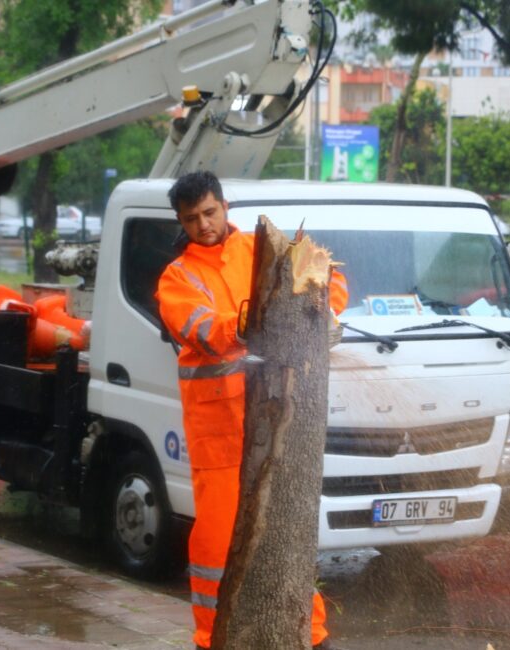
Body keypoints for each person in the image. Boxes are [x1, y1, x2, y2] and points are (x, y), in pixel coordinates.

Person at [155, 171, 347, 650]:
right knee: (216, 547)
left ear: (224, 206)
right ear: (181, 222)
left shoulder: (268, 247)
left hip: (279, 422)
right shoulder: (178, 277)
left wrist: (320, 314)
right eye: (191, 219)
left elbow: (329, 276)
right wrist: (252, 320)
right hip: (219, 436)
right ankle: (213, 640)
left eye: (209, 212)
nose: (203, 225)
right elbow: (200, 327)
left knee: (287, 541)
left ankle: (312, 638)